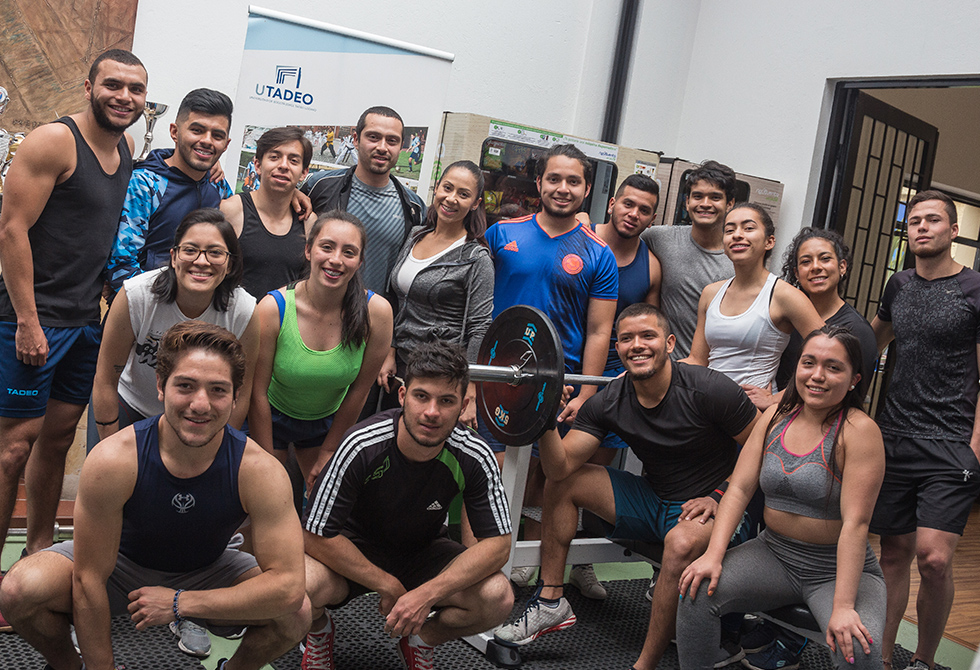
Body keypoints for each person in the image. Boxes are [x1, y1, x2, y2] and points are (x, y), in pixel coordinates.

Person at [0, 321, 310, 670]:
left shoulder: (260, 471)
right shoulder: (115, 459)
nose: (200, 404)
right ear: (161, 386)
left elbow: (288, 586)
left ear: (236, 396)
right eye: (186, 386)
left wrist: (180, 603)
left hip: (209, 569)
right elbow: (89, 579)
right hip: (119, 565)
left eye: (218, 390)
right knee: (19, 589)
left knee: (296, 613)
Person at [493, 303, 760, 670]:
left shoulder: (709, 388)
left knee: (680, 543)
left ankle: (644, 665)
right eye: (627, 338)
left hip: (714, 509)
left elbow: (764, 445)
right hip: (655, 500)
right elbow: (559, 468)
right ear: (617, 348)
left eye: (648, 336)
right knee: (567, 483)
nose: (637, 345)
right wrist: (546, 418)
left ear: (669, 343)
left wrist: (722, 495)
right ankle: (551, 600)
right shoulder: (611, 400)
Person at [0, 50, 146, 588]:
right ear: (88, 87)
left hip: (86, 322)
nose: (124, 97)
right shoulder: (54, 142)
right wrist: (28, 321)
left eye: (135, 89)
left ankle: (37, 551)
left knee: (58, 438)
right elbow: (11, 230)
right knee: (13, 448)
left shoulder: (125, 147)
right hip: (31, 320)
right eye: (113, 85)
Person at [677, 325, 886, 670]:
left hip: (835, 569)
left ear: (854, 380)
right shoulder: (775, 418)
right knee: (696, 589)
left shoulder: (859, 431)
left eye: (833, 367)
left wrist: (844, 606)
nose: (817, 375)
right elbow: (739, 489)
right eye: (809, 363)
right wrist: (713, 555)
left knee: (857, 652)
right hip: (774, 553)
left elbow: (856, 524)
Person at [302, 341, 513, 670]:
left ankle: (421, 640)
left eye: (446, 401)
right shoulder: (362, 444)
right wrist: (387, 584)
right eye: (421, 396)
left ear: (463, 406)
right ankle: (318, 630)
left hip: (423, 551)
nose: (432, 412)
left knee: (498, 597)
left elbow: (498, 545)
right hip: (354, 551)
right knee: (300, 585)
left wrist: (427, 594)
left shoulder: (475, 454)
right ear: (402, 396)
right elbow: (314, 535)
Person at [483, 143, 618, 586]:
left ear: (587, 189)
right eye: (555, 179)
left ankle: (526, 559)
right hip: (498, 377)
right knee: (494, 473)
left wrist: (587, 392)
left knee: (545, 477)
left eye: (573, 181)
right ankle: (483, 564)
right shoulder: (501, 234)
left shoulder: (598, 253)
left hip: (557, 386)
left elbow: (599, 330)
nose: (563, 188)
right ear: (539, 182)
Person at [869, 190, 980, 670]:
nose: (922, 227)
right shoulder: (899, 285)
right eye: (915, 220)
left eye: (933, 220)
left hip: (952, 443)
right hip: (894, 438)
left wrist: (974, 448)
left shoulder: (974, 289)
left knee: (933, 559)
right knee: (893, 555)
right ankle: (883, 657)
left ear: (952, 231)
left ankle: (925, 660)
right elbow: (868, 345)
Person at [248, 210, 392, 491]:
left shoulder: (377, 313)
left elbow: (360, 390)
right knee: (269, 492)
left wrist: (329, 451)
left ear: (360, 262)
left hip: (328, 423)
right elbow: (257, 392)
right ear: (308, 250)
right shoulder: (273, 308)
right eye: (327, 247)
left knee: (325, 499)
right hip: (270, 417)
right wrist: (266, 461)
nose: (336, 260)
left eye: (349, 252)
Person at [93, 207, 258, 440]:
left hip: (199, 416)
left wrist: (218, 445)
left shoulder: (244, 311)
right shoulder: (136, 296)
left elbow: (241, 394)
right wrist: (109, 441)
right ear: (173, 257)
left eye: (215, 253)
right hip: (133, 406)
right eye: (190, 250)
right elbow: (105, 379)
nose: (201, 261)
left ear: (229, 264)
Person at [378, 160, 493, 428]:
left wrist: (471, 388)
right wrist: (390, 352)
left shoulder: (476, 257)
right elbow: (396, 299)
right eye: (447, 188)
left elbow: (480, 327)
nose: (451, 199)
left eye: (463, 194)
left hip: (441, 374)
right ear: (437, 187)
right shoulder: (416, 235)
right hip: (401, 366)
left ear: (475, 203)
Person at [688, 203, 823, 409]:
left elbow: (829, 352)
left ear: (769, 242)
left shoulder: (784, 295)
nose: (737, 235)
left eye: (748, 228)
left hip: (751, 413)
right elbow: (697, 360)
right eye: (729, 230)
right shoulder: (710, 293)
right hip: (706, 407)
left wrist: (777, 399)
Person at [105, 88, 234, 293]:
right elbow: (121, 265)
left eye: (217, 135)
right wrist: (171, 304)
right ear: (175, 132)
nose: (207, 140)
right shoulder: (146, 184)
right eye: (197, 130)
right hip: (147, 306)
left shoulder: (219, 186)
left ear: (226, 144)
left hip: (200, 307)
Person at [302, 106, 425, 294]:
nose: (382, 147)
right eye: (373, 137)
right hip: (314, 305)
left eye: (392, 141)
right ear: (356, 140)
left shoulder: (414, 207)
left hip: (374, 311)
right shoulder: (319, 186)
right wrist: (292, 194)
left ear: (401, 147)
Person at [640, 160, 738, 359]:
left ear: (730, 204)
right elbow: (616, 240)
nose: (705, 204)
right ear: (687, 201)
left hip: (715, 370)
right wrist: (583, 219)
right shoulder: (659, 238)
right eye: (698, 196)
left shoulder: (739, 258)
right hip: (670, 367)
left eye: (715, 197)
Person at [772, 227, 878, 395]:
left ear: (842, 267)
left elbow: (853, 395)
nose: (815, 267)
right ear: (797, 273)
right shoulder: (785, 319)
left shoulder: (857, 330)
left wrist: (776, 400)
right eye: (806, 262)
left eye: (825, 259)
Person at [221, 126, 313, 299]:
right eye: (274, 157)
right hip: (234, 315)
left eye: (293, 160)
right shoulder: (231, 211)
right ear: (257, 165)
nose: (283, 165)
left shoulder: (308, 221)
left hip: (284, 316)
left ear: (303, 173)